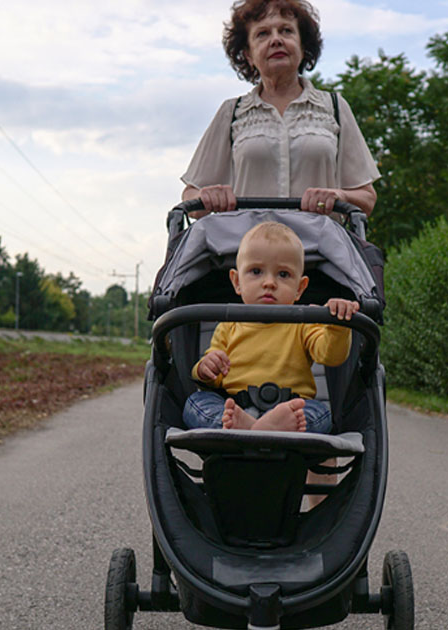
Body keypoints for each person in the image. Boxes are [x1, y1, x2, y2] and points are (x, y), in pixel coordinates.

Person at [181, 0, 380, 219]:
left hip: (321, 248)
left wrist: (339, 196)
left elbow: (367, 199)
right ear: (248, 54)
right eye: (262, 34)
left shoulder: (334, 107)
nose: (276, 40)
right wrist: (209, 196)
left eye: (286, 31)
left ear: (303, 47)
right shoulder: (231, 113)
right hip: (246, 249)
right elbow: (190, 197)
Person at [183, 221, 359, 433]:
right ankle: (247, 425)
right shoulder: (228, 324)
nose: (269, 283)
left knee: (319, 413)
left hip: (289, 409)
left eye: (283, 274)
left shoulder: (304, 322)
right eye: (256, 271)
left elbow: (331, 357)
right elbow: (216, 376)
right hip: (236, 407)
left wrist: (336, 325)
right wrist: (205, 368)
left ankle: (250, 428)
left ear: (300, 288)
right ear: (236, 281)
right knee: (196, 402)